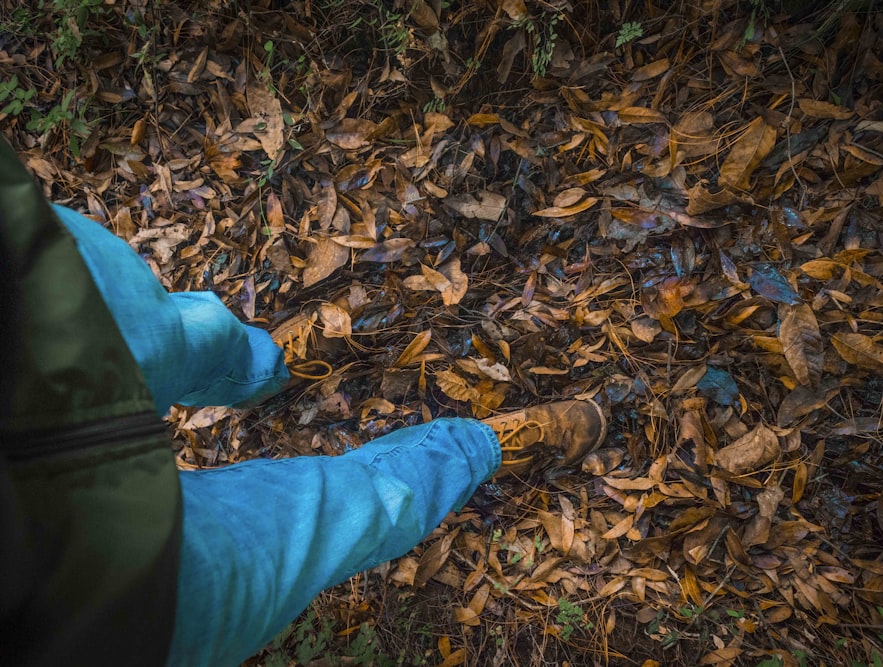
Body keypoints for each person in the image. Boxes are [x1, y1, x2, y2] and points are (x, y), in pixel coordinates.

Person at [0, 135, 607, 666]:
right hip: (90, 608)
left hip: (24, 295)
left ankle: (270, 367)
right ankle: (481, 446)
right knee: (341, 514)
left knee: (181, 336)